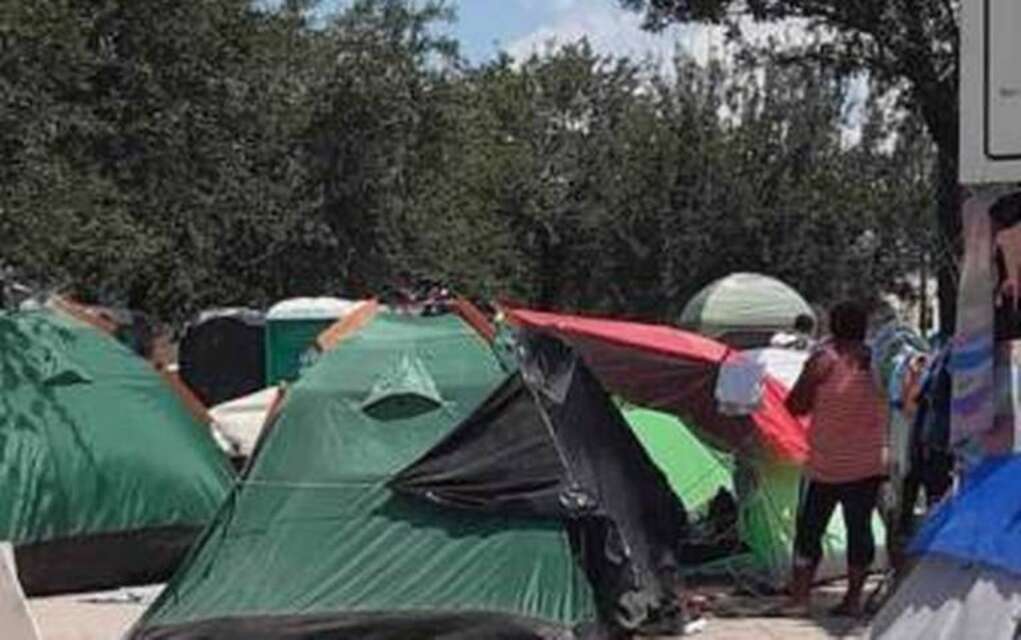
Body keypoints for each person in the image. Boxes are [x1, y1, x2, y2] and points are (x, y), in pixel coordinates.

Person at [781, 300, 889, 617]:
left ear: (832, 326)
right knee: (860, 530)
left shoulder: (824, 360)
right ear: (864, 329)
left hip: (825, 465)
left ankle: (800, 599)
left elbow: (795, 405)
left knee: (809, 532)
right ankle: (853, 600)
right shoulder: (878, 362)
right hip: (868, 463)